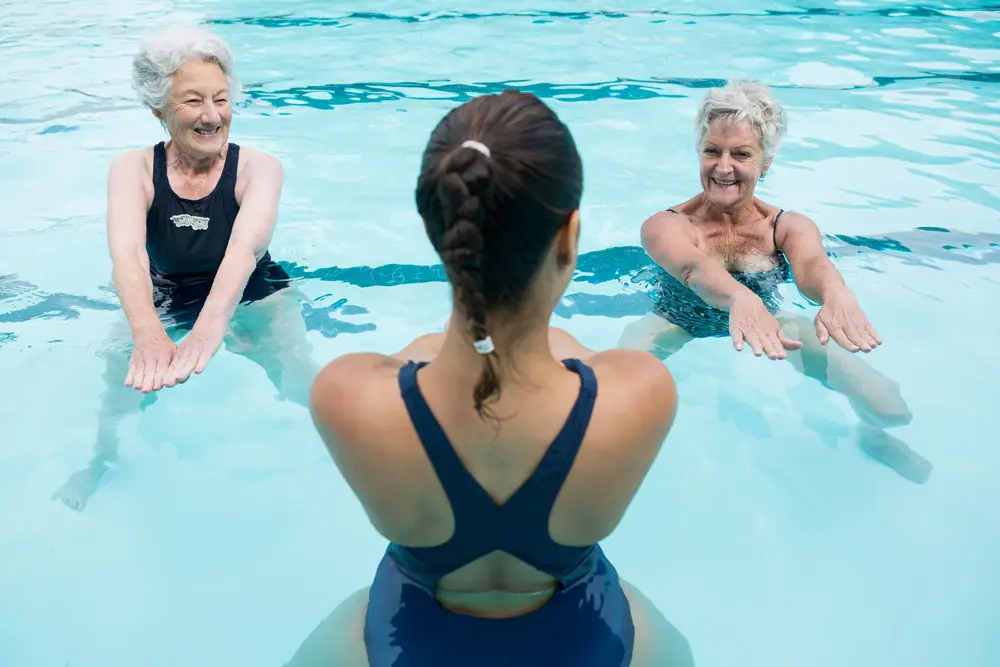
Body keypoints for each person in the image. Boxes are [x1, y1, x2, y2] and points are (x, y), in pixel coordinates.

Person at [302, 91, 694, 666]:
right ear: (569, 235)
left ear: (437, 229)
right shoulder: (640, 392)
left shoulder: (348, 395)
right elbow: (569, 355)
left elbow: (426, 355)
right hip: (586, 638)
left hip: (407, 641)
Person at [53, 25, 319, 511]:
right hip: (166, 290)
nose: (213, 116)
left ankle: (335, 455)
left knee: (298, 376)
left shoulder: (260, 168)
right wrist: (147, 330)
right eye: (193, 101)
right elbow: (129, 257)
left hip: (254, 289)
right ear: (158, 108)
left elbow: (243, 253)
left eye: (221, 98)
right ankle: (102, 460)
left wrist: (210, 327)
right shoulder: (131, 170)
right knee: (120, 380)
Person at [619, 80, 931, 484]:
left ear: (765, 163)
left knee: (889, 406)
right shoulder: (667, 224)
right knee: (611, 390)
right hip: (677, 318)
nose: (723, 167)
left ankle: (872, 436)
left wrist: (836, 292)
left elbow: (813, 267)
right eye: (712, 151)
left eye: (741, 154)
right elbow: (692, 268)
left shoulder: (786, 226)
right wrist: (737, 298)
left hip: (770, 321)